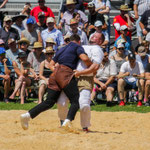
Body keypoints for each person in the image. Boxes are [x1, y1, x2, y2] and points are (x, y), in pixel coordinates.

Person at [20, 34, 92, 130]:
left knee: (49, 102)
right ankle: (67, 121)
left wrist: (58, 73)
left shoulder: (62, 49)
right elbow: (85, 58)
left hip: (54, 75)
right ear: (79, 41)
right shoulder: (77, 46)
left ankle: (27, 115)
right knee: (75, 100)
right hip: (65, 73)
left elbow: (50, 65)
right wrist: (91, 66)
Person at [57, 32, 104, 131]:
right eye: (92, 35)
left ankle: (85, 126)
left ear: (100, 41)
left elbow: (95, 67)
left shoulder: (97, 49)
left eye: (96, 36)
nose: (92, 36)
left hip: (85, 78)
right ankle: (63, 123)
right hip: (70, 77)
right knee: (61, 102)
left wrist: (80, 72)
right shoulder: (80, 45)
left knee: (84, 105)